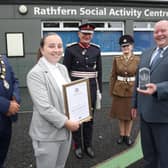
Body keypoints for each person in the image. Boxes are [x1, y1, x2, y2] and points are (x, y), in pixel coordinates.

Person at [27, 33, 80, 168]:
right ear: (42, 49)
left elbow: (69, 96)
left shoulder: (62, 68)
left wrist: (79, 111)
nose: (56, 50)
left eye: (59, 46)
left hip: (65, 132)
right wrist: (67, 122)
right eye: (51, 46)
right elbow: (44, 108)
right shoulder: (35, 74)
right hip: (48, 135)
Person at [131, 20, 168, 168]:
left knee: (165, 157)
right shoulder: (147, 53)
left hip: (164, 117)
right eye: (156, 31)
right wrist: (134, 104)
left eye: (163, 31)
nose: (159, 34)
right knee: (148, 154)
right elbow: (138, 78)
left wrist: (158, 88)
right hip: (145, 113)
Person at [63, 23, 102, 159]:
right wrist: (66, 91)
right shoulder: (70, 50)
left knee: (89, 119)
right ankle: (78, 146)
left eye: (89, 34)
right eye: (84, 33)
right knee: (76, 119)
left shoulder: (96, 50)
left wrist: (99, 91)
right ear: (79, 34)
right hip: (75, 89)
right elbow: (65, 71)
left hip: (91, 88)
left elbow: (99, 72)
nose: (87, 36)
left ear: (92, 35)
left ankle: (88, 145)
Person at [109, 35, 139, 146]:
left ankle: (128, 135)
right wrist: (112, 90)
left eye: (128, 46)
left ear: (132, 46)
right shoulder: (117, 59)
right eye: (123, 46)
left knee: (130, 115)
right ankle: (122, 134)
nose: (125, 48)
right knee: (121, 115)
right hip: (119, 90)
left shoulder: (137, 60)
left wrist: (139, 91)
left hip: (132, 90)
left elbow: (139, 77)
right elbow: (113, 76)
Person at [0, 54, 20, 168]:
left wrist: (15, 98)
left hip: (6, 120)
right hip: (5, 110)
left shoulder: (3, 59)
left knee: (2, 155)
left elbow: (14, 80)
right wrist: (6, 106)